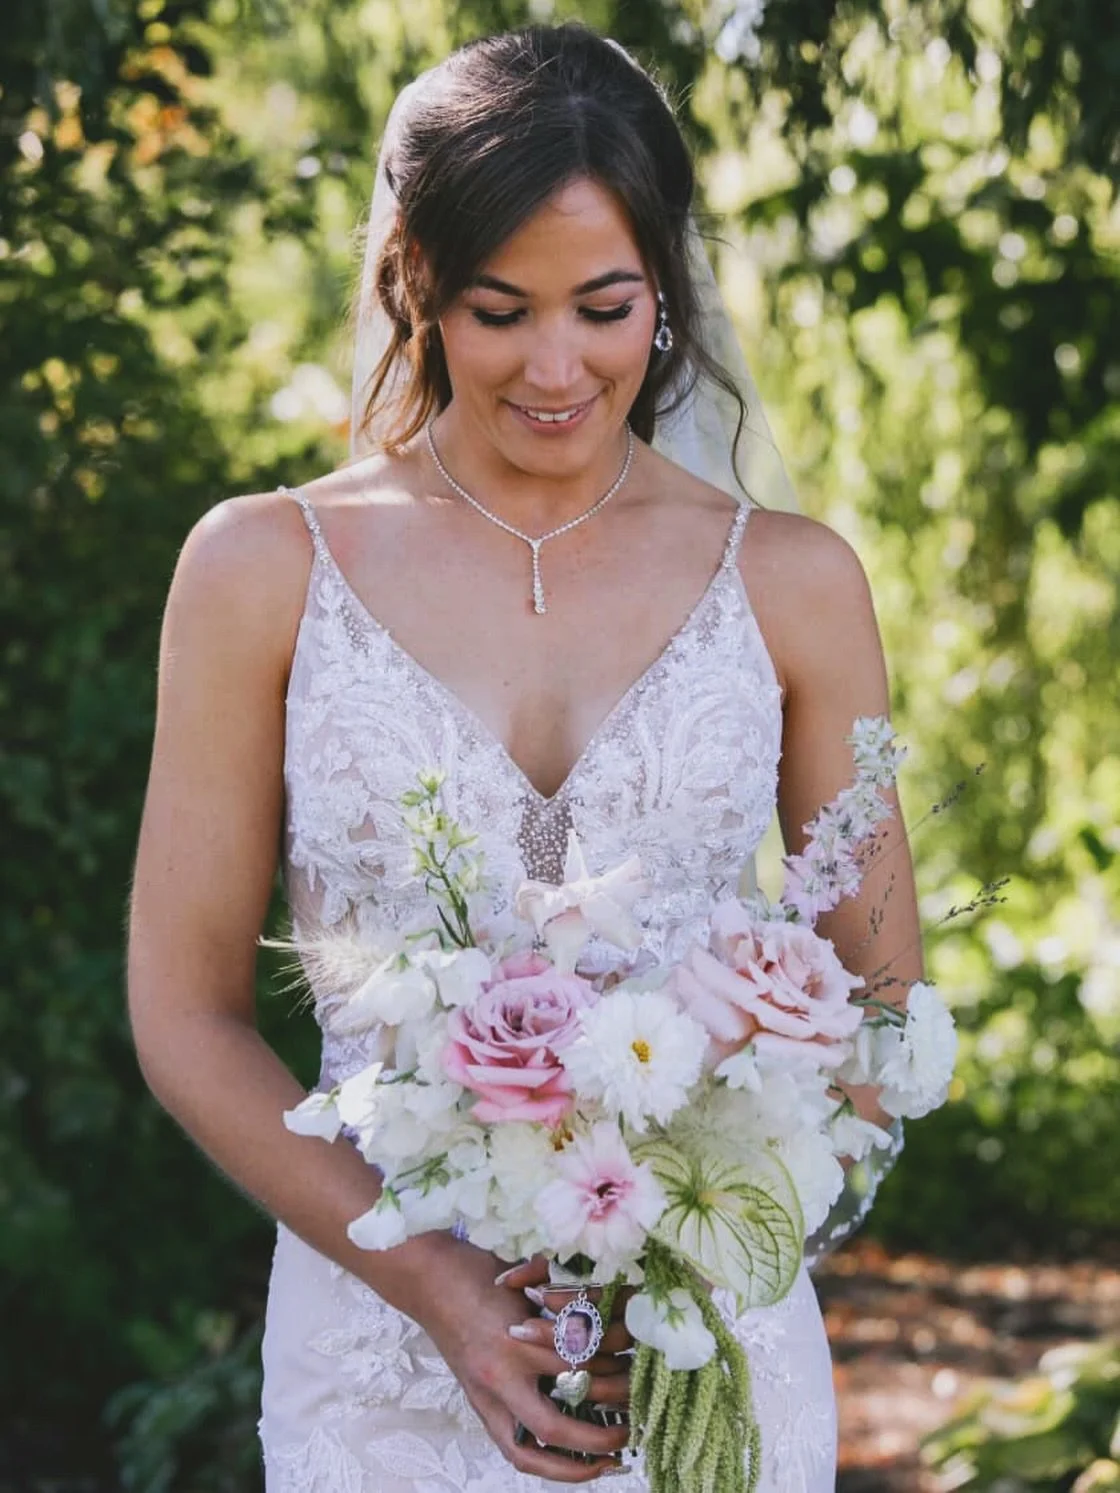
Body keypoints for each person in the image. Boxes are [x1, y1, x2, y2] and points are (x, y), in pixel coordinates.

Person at [126, 21, 922, 1492]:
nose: (558, 368)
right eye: (500, 311)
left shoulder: (797, 582)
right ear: (411, 283)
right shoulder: (261, 568)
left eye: (606, 307)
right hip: (380, 1359)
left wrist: (694, 1259)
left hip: (700, 1359)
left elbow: (878, 1005)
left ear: (667, 294)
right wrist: (444, 1290)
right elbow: (184, 1012)